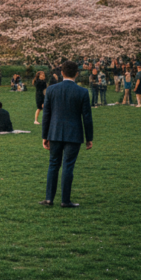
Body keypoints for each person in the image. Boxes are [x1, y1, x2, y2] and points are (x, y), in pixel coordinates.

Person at [41, 60, 94, 208]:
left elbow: (46, 115)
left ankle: (49, 198)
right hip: (74, 133)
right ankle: (65, 200)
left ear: (61, 73)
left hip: (55, 132)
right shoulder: (82, 92)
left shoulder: (51, 90)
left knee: (53, 164)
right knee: (68, 166)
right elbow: (87, 117)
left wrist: (45, 136)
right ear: (77, 74)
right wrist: (89, 138)